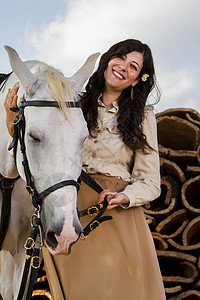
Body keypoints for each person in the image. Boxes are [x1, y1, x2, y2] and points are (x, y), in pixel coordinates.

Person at [4, 39, 166, 300]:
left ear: (137, 79)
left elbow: (149, 181)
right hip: (70, 211)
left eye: (133, 66)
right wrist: (13, 124)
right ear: (108, 59)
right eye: (120, 57)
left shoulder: (143, 116)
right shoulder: (71, 102)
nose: (124, 67)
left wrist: (125, 197)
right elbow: (41, 146)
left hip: (114, 214)